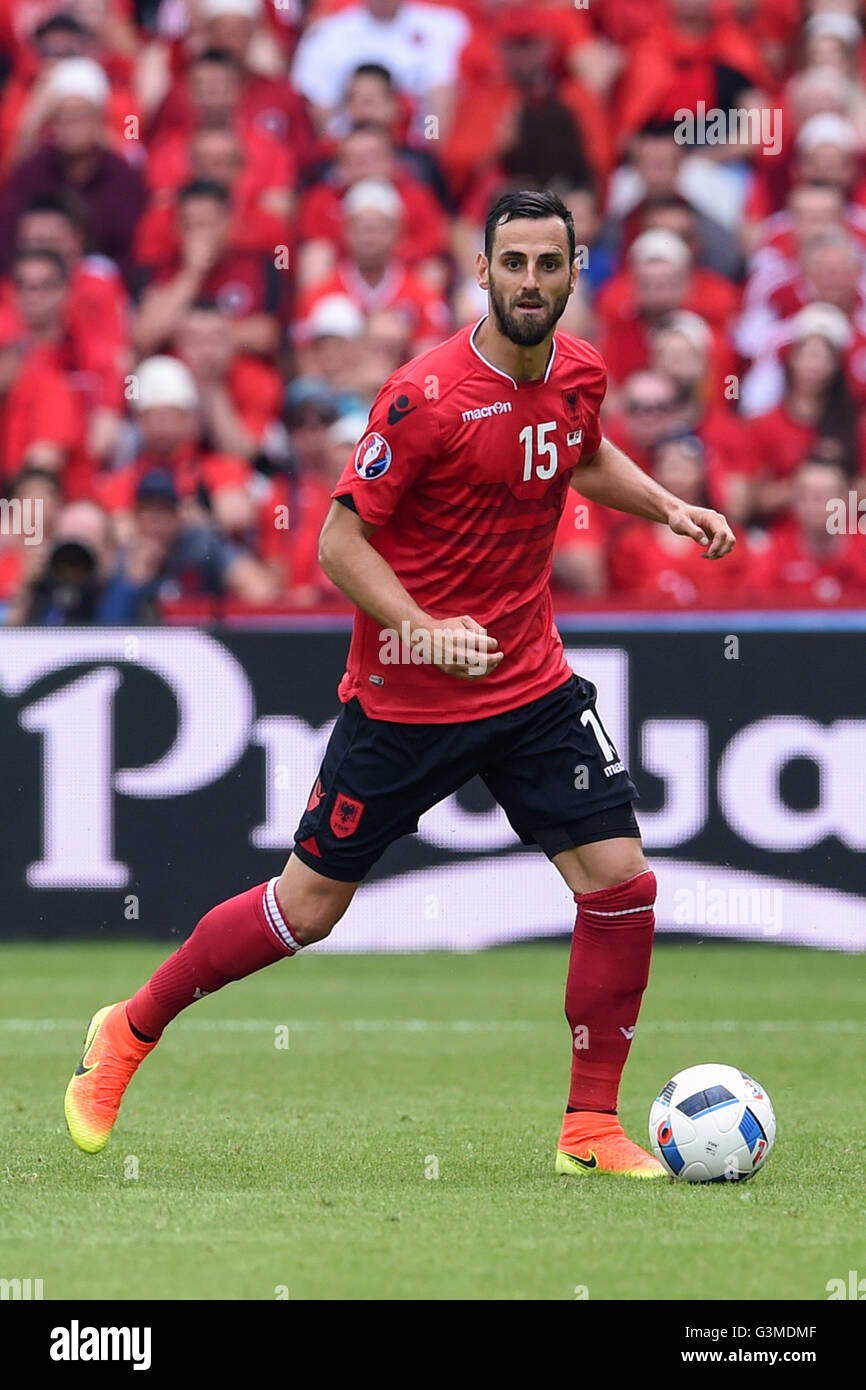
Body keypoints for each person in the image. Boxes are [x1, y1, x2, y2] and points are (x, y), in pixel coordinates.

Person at [63, 190, 736, 1180]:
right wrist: (422, 630)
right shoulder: (423, 398)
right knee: (307, 908)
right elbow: (338, 541)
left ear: (573, 271)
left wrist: (664, 504)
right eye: (513, 263)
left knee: (621, 885)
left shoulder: (581, 373)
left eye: (549, 265)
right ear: (481, 270)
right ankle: (128, 1027)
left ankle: (588, 1128)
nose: (530, 283)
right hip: (406, 699)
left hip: (530, 683)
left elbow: (575, 452)